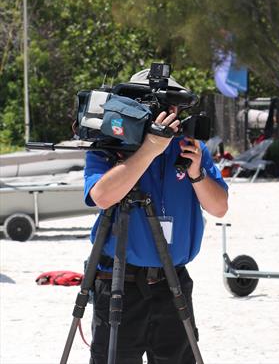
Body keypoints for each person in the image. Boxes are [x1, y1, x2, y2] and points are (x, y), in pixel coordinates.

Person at [83, 69, 229, 364]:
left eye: (175, 106)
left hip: (172, 282)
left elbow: (220, 208)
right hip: (118, 283)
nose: (170, 113)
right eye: (161, 105)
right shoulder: (111, 147)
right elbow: (102, 196)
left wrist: (196, 174)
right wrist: (148, 150)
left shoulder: (190, 148)